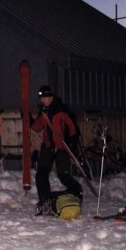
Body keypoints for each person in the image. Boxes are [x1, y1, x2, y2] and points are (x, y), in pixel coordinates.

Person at [31, 85, 82, 214]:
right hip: (48, 147)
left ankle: (76, 191)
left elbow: (73, 129)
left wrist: (71, 145)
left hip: (62, 147)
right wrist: (28, 119)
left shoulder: (62, 110)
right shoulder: (43, 111)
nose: (44, 100)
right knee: (41, 173)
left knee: (63, 175)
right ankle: (45, 199)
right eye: (42, 98)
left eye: (47, 97)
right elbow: (37, 127)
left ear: (52, 97)